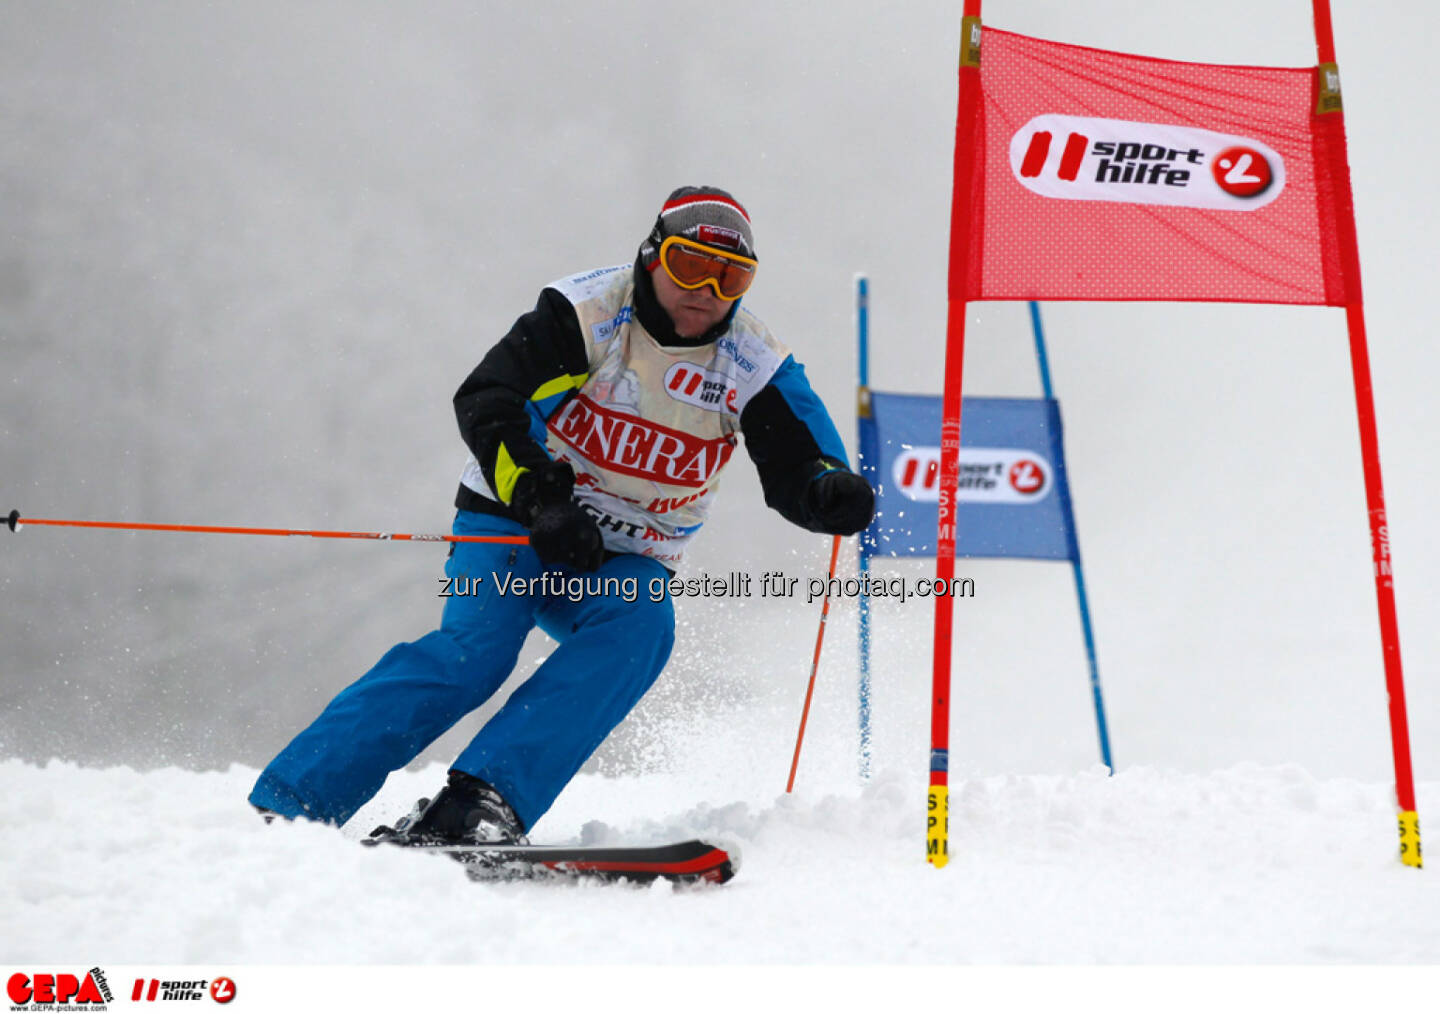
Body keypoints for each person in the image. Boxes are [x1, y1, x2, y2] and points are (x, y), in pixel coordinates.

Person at [247, 186, 875, 844]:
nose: (707, 290)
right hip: (519, 519)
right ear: (652, 258)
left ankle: (485, 802)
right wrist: (542, 502)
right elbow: (488, 397)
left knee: (642, 627)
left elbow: (800, 461)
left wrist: (826, 493)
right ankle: (292, 801)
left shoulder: (752, 361)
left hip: (626, 555)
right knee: (474, 656)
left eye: (731, 276)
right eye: (690, 266)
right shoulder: (589, 313)